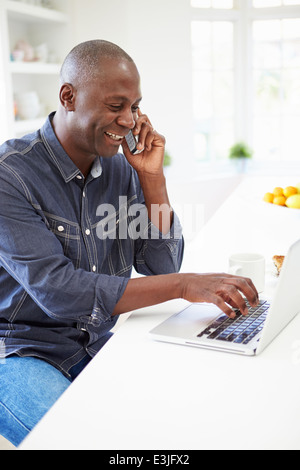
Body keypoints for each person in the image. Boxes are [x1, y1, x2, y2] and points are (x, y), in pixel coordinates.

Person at [0, 40, 259, 447]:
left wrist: (153, 180)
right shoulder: (9, 176)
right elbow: (58, 290)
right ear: (69, 96)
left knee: (182, 421)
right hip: (20, 349)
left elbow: (161, 265)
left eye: (134, 106)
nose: (128, 120)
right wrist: (184, 286)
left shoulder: (121, 170)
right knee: (79, 442)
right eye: (116, 105)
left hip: (97, 340)